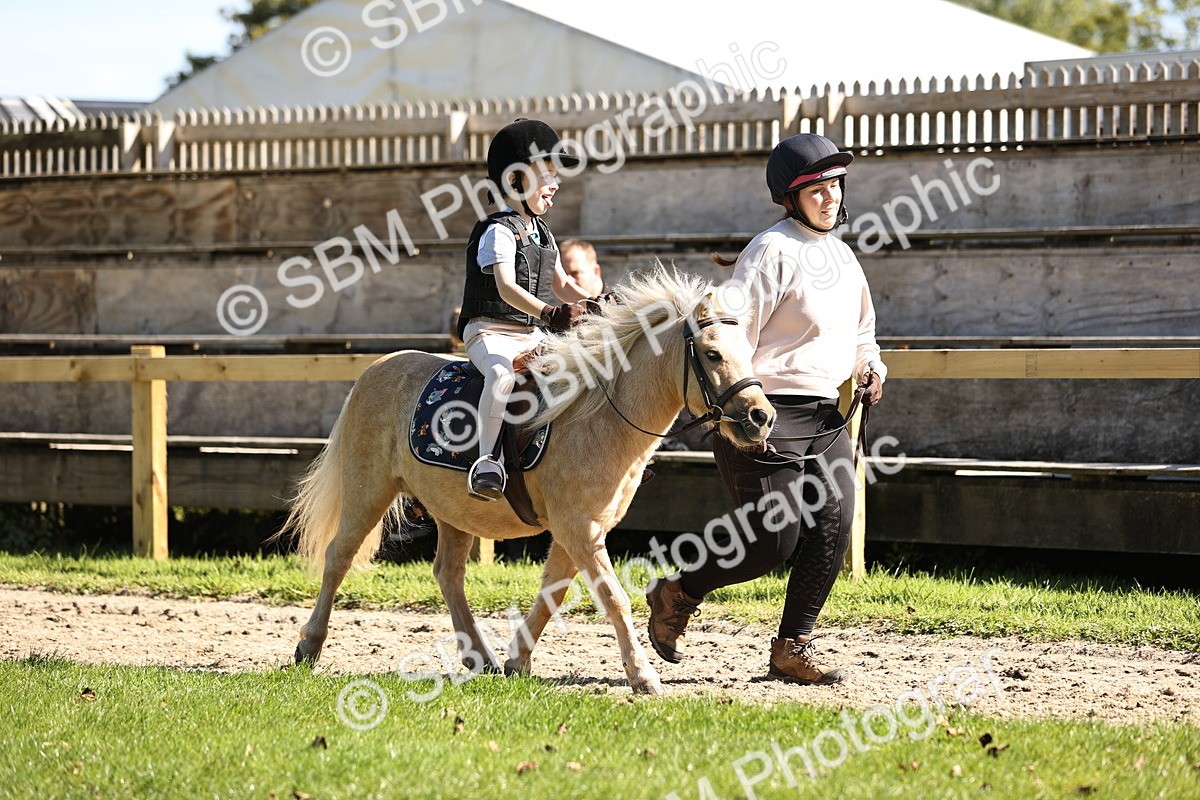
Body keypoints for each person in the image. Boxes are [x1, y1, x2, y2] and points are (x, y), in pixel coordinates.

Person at [646, 133, 886, 685]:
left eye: (834, 185)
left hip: (825, 415)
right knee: (772, 541)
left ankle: (792, 647)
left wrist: (871, 367)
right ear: (790, 198)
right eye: (816, 188)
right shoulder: (770, 250)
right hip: (764, 411)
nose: (830, 196)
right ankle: (678, 591)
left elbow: (864, 333)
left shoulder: (844, 257)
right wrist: (737, 412)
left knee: (832, 525)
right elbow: (730, 338)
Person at [456, 119, 598, 501]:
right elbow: (506, 286)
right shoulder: (498, 230)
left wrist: (591, 303)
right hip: (489, 331)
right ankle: (486, 463)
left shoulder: (543, 233)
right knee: (502, 378)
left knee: (588, 368)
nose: (555, 184)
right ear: (516, 180)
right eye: (547, 174)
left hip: (530, 333)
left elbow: (563, 285)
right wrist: (550, 315)